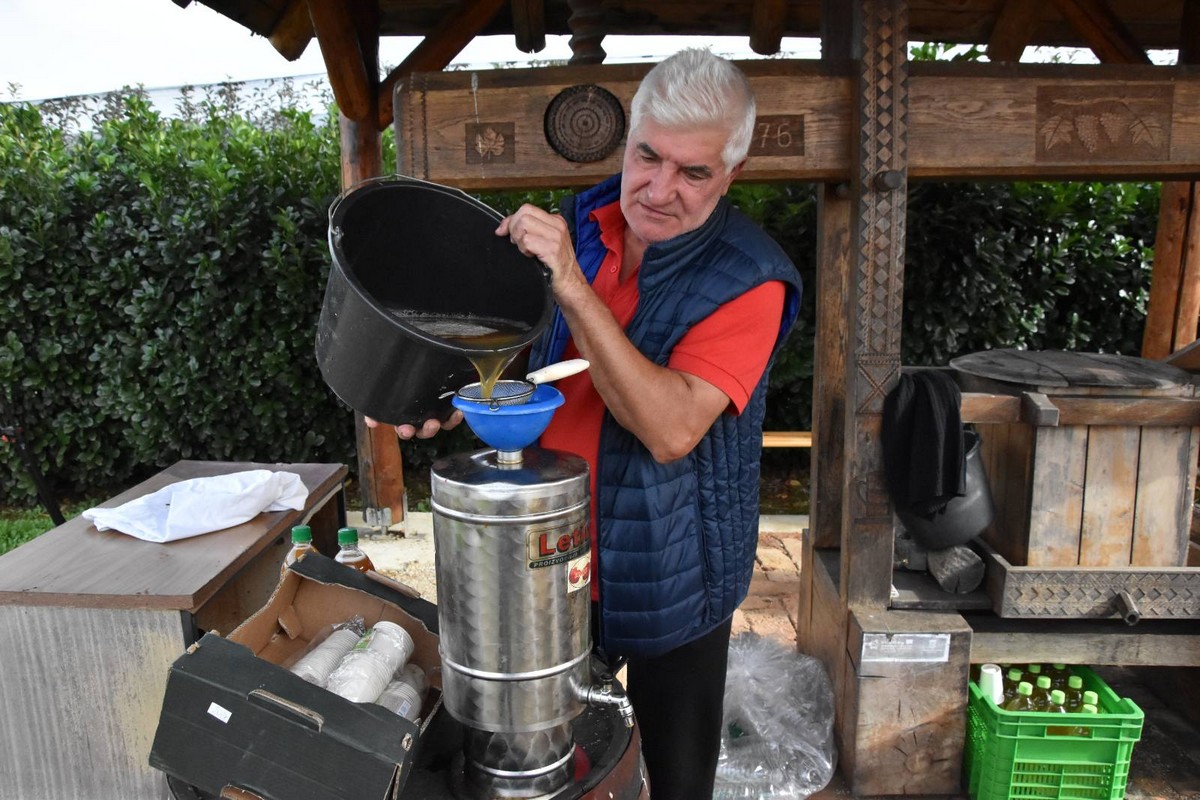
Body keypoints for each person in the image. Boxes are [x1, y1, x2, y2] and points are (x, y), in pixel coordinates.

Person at [375, 48, 801, 798]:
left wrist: (573, 286)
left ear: (730, 175)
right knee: (541, 763)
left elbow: (670, 427)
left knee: (676, 780)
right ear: (629, 137)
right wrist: (447, 396)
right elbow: (513, 357)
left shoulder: (750, 277)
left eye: (693, 173)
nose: (659, 190)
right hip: (544, 555)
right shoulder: (581, 222)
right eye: (648, 156)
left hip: (675, 575)